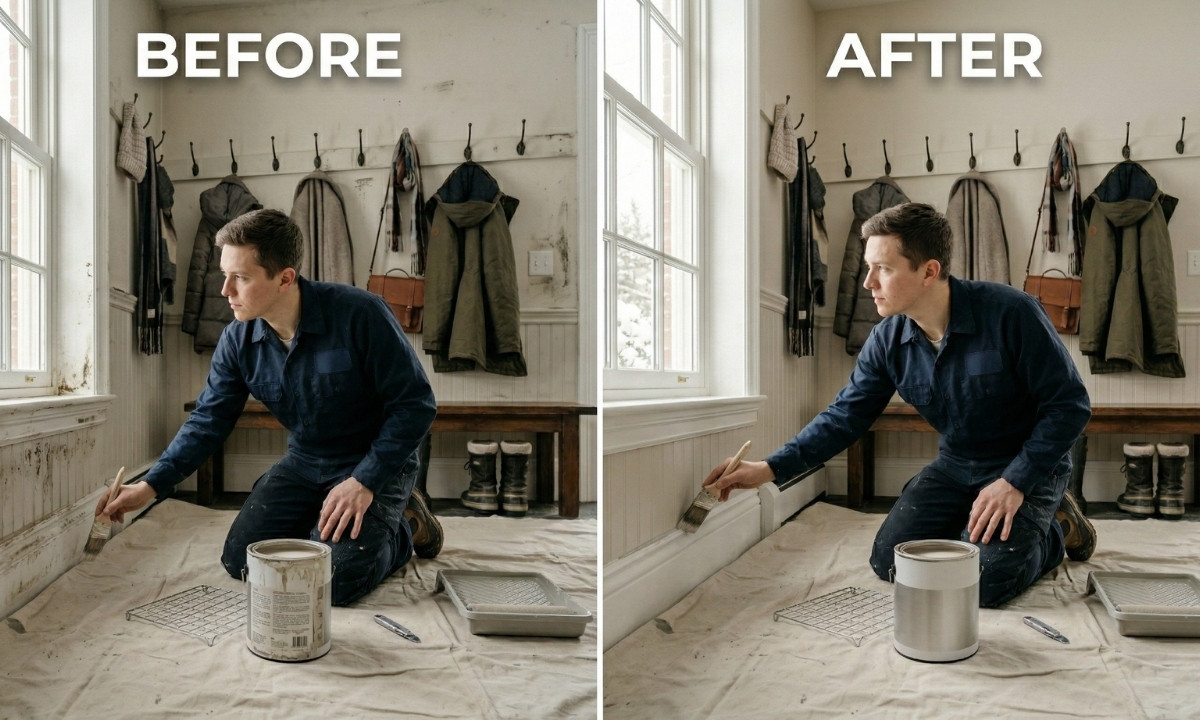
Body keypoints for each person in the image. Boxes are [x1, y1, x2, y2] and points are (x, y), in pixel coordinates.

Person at [707, 202, 1095, 608]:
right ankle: (977, 525)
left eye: (883, 269)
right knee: (891, 561)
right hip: (957, 465)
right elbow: (844, 416)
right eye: (868, 268)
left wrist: (1015, 482)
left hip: (1027, 466)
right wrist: (769, 469)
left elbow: (1069, 406)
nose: (867, 282)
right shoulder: (886, 340)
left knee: (981, 583)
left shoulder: (1012, 312)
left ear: (928, 271)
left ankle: (1055, 529)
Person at [95, 208, 440, 606]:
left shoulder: (361, 313)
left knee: (334, 582)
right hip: (306, 461)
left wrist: (365, 481)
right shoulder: (236, 340)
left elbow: (415, 405)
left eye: (240, 277)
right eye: (224, 275)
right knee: (241, 560)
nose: (225, 290)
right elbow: (208, 420)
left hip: (373, 462)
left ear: (285, 279)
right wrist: (150, 485)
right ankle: (324, 523)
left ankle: (403, 527)